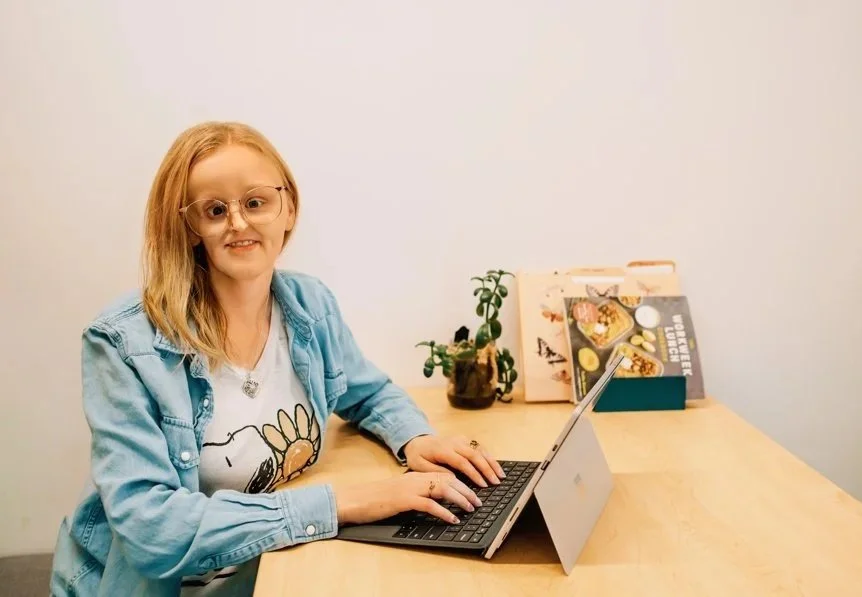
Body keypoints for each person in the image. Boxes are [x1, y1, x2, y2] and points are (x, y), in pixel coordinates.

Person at [50, 121, 505, 596]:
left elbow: (367, 392)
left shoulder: (309, 305)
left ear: (287, 208)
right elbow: (151, 528)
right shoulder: (123, 344)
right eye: (214, 209)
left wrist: (414, 438)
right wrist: (341, 504)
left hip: (276, 571)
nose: (239, 223)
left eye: (255, 202)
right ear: (188, 227)